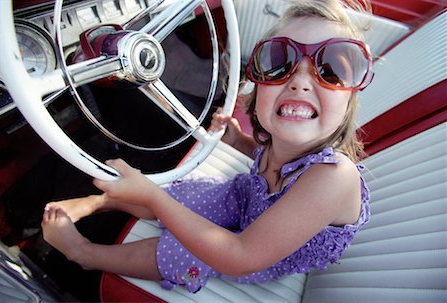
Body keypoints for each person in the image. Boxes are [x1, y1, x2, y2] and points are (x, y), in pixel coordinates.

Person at [42, 0, 373, 293]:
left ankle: (83, 253)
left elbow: (239, 257)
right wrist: (236, 140)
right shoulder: (281, 140)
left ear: (349, 103)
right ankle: (100, 202)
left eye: (330, 70)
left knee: (185, 250)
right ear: (258, 88)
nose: (300, 80)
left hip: (261, 252)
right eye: (279, 62)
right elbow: (264, 157)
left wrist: (150, 194)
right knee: (186, 195)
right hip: (248, 201)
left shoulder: (333, 179)